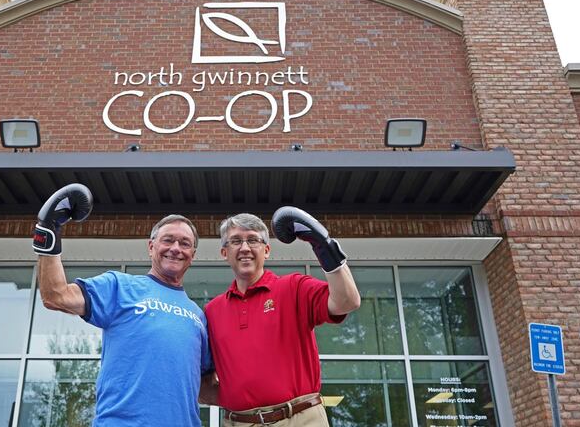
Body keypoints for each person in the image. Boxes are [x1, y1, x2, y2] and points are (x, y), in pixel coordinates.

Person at [33, 183, 213, 427]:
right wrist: (48, 230)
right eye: (168, 240)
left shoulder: (198, 315)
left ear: (193, 254)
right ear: (151, 247)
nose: (175, 248)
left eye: (185, 243)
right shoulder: (119, 286)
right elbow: (56, 296)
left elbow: (205, 387)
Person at [204, 207, 361, 426]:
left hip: (299, 418)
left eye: (253, 240)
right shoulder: (212, 311)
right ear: (224, 253)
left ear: (266, 250)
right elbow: (202, 378)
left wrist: (324, 246)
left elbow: (347, 301)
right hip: (239, 422)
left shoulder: (294, 287)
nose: (245, 248)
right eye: (236, 241)